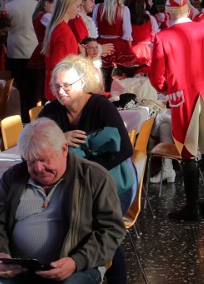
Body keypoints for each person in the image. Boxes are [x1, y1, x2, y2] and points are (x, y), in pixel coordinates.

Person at [0, 118, 125, 284]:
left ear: (64, 149)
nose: (38, 168)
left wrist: (76, 261)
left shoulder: (94, 177)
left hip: (78, 267)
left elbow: (112, 230)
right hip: (20, 269)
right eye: (31, 161)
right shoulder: (13, 178)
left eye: (44, 160)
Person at [39, 55, 134, 284]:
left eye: (66, 85)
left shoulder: (101, 107)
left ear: (81, 83)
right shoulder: (52, 112)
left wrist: (91, 174)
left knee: (98, 226)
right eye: (56, 86)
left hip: (112, 183)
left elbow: (125, 150)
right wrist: (59, 138)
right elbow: (30, 145)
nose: (60, 91)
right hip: (70, 186)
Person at [149, 0, 204, 220]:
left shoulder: (163, 37)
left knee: (188, 151)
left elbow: (156, 77)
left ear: (168, 13)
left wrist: (168, 89)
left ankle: (192, 207)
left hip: (183, 98)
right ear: (187, 10)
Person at [2, 0, 39, 118]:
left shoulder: (9, 6)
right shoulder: (38, 5)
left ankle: (17, 114)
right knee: (32, 87)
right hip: (33, 51)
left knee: (17, 86)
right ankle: (31, 114)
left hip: (15, 52)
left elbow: (5, 28)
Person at [42, 0, 83, 101]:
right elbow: (58, 64)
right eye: (77, 6)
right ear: (68, 7)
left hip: (58, 87)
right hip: (62, 90)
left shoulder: (58, 26)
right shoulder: (63, 31)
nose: (79, 10)